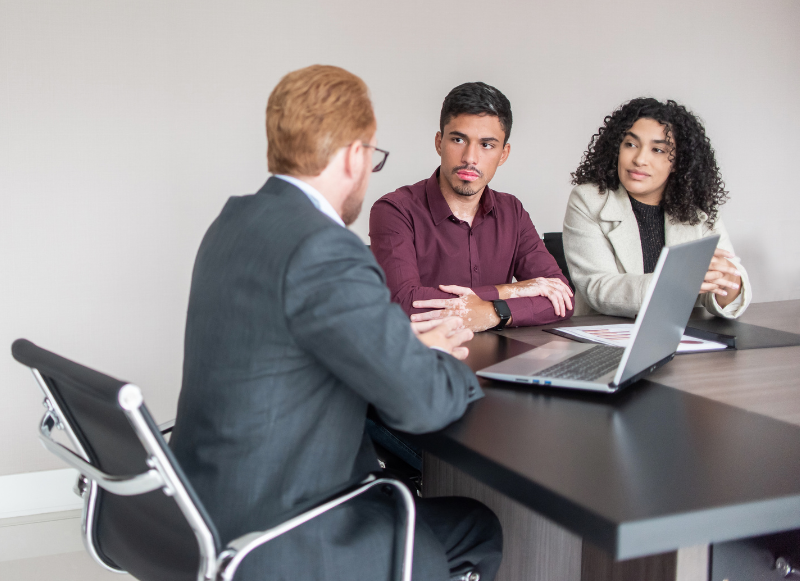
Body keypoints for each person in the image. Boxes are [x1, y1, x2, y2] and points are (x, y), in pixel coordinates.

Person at [169, 65, 503, 581]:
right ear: (354, 155)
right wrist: (437, 358)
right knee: (478, 526)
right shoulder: (325, 248)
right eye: (373, 156)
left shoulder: (233, 222)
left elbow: (297, 339)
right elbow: (423, 404)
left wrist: (400, 343)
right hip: (286, 531)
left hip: (207, 507)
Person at [370, 82, 573, 333]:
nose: (469, 157)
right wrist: (509, 290)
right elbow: (405, 304)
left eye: (486, 145)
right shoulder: (394, 210)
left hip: (503, 362)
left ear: (503, 154)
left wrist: (492, 312)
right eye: (458, 139)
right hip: (427, 363)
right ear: (439, 142)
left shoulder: (512, 211)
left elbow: (562, 298)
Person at [563, 97, 751, 318]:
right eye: (630, 144)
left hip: (681, 334)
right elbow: (599, 289)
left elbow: (722, 286)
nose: (640, 159)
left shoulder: (696, 206)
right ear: (617, 148)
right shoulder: (588, 200)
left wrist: (727, 284)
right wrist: (678, 279)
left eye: (658, 150)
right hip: (607, 336)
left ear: (678, 162)